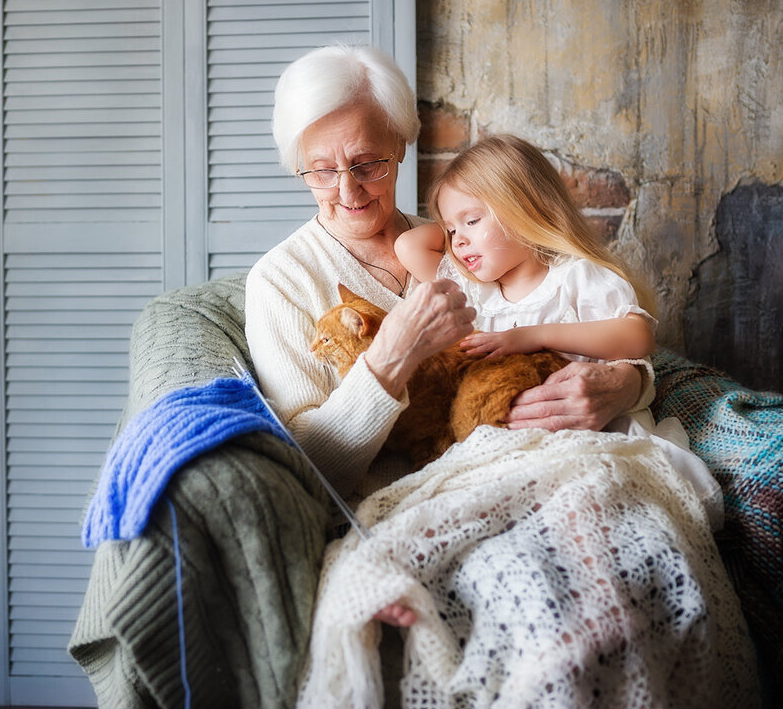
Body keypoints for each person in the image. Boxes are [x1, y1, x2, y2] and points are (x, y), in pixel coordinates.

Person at [245, 46, 648, 504]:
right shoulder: (280, 281)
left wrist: (627, 386)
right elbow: (306, 469)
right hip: (398, 505)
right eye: (321, 171)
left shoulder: (465, 247)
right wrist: (391, 357)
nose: (347, 189)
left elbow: (597, 325)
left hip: (531, 471)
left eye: (367, 163)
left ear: (399, 143)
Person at [396, 133, 723, 528]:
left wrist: (534, 335)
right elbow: (410, 245)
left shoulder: (574, 278)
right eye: (450, 230)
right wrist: (457, 221)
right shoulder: (474, 292)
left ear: (525, 207)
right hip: (507, 446)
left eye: (472, 219)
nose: (458, 240)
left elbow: (638, 337)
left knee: (590, 510)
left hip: (586, 435)